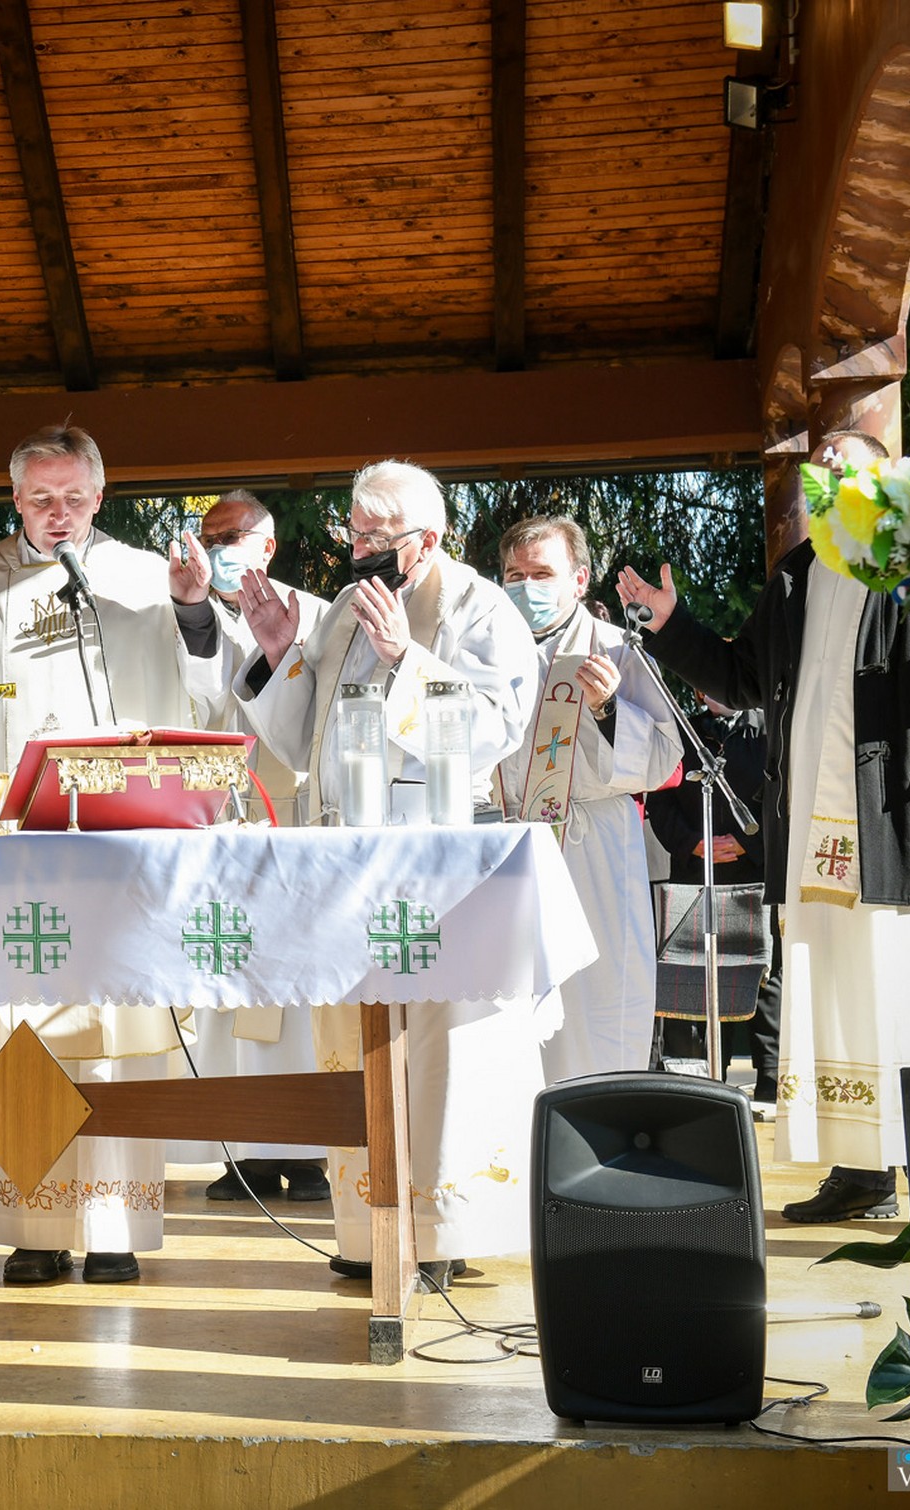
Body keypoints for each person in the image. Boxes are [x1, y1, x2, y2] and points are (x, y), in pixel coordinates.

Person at [0, 423, 226, 1285]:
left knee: (112, 1030)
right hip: (14, 855)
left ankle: (112, 1227)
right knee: (21, 1031)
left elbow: (211, 692)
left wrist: (191, 611)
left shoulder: (151, 579)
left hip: (115, 852)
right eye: (40, 500)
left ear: (100, 496)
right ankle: (34, 1229)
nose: (58, 515)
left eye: (73, 498)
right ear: (15, 499)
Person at [618, 429, 910, 1223]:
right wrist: (673, 621)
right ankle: (862, 1171)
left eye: (848, 469)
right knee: (835, 992)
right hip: (816, 830)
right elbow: (742, 678)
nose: (831, 482)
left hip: (902, 815)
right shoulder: (798, 573)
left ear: (889, 479)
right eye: (821, 473)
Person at [234, 460, 539, 1287]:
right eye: (354, 532)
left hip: (435, 872)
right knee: (351, 1046)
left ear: (427, 541)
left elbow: (498, 728)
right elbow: (301, 743)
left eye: (377, 537)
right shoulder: (337, 614)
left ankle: (437, 1234)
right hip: (342, 866)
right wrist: (274, 655)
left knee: (433, 1051)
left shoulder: (481, 610)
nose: (359, 549)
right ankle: (366, 1230)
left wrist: (407, 657)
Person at [181, 489, 334, 1205]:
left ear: (267, 547)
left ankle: (306, 1150)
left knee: (295, 994)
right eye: (208, 534)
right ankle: (240, 1147)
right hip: (218, 828)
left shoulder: (317, 615)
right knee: (224, 989)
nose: (218, 546)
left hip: (293, 825)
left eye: (233, 534)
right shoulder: (188, 614)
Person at [495, 516, 681, 1081]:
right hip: (510, 844)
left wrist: (608, 711)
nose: (526, 586)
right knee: (510, 998)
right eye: (514, 574)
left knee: (597, 996)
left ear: (579, 580)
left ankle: (601, 1132)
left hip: (592, 845)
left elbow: (665, 758)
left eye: (542, 573)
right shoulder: (487, 649)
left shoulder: (618, 648)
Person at [647, 692, 778, 1102]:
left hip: (755, 871)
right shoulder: (682, 732)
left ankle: (772, 1079)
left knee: (766, 974)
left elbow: (782, 792)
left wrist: (746, 842)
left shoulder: (769, 728)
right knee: (695, 974)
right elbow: (661, 799)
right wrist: (694, 844)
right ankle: (702, 1083)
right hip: (694, 874)